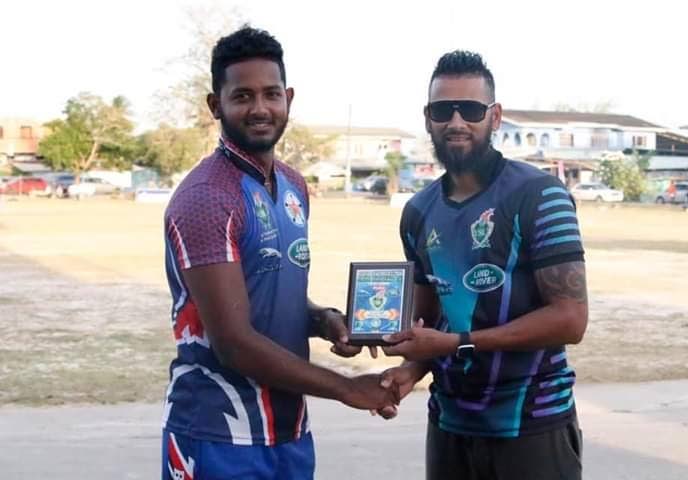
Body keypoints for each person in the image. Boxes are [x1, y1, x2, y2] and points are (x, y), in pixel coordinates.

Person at [161, 26, 395, 480]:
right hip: (220, 436)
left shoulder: (292, 186)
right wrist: (348, 389)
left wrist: (324, 320)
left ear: (288, 97)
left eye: (271, 94)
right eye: (242, 96)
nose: (260, 109)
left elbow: (273, 292)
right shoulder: (207, 197)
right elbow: (233, 343)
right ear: (216, 105)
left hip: (289, 432)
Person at [379, 50, 589, 480]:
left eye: (471, 110)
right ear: (427, 118)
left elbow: (570, 320)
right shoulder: (417, 211)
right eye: (443, 110)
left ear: (494, 117)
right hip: (450, 428)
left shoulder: (539, 196)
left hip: (532, 427)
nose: (456, 122)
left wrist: (457, 343)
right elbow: (431, 320)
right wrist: (410, 369)